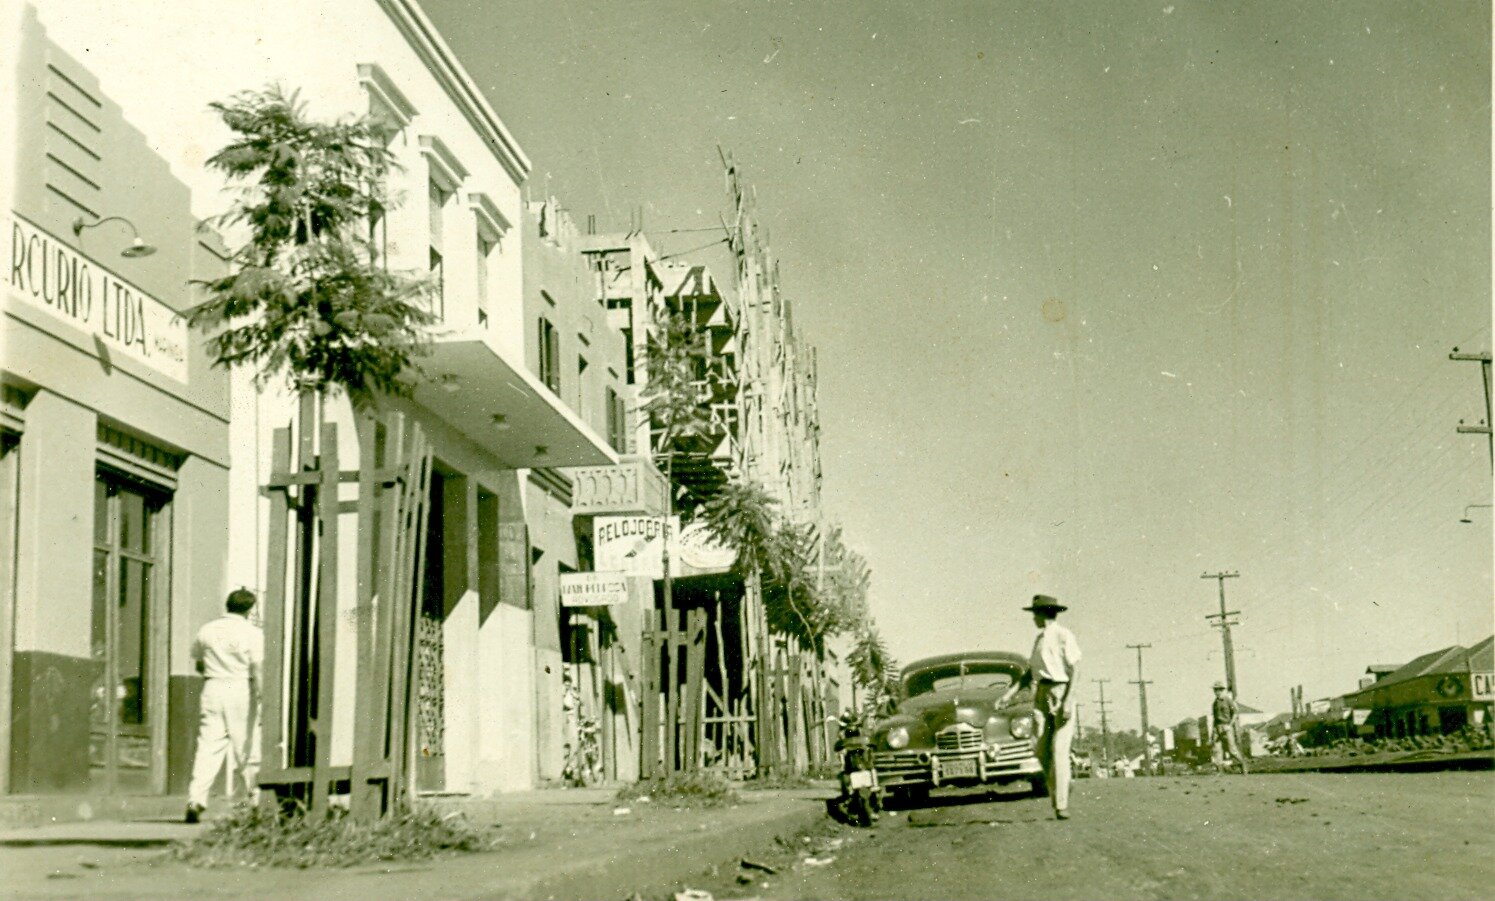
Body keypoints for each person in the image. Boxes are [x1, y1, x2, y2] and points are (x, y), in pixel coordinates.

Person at [997, 594, 1082, 820]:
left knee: (1059, 749)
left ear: (1043, 613)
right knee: (1041, 750)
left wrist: (1067, 700)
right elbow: (1029, 674)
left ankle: (1061, 804)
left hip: (1061, 690)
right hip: (1041, 692)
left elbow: (1076, 670)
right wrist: (1008, 694)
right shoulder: (1039, 640)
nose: (1033, 618)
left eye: (1035, 613)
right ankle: (1064, 784)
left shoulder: (1064, 635)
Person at [185, 588, 264, 823]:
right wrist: (261, 695)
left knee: (208, 746)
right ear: (250, 609)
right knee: (247, 748)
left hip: (213, 688)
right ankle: (256, 800)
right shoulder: (252, 633)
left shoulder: (207, 630)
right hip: (240, 689)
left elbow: (198, 662)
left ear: (227, 604)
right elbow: (257, 669)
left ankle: (195, 800)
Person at [1211, 681, 1249, 775]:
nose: (1216, 692)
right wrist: (1213, 730)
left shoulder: (1228, 700)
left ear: (1222, 690)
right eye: (1215, 690)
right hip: (1217, 727)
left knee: (1232, 749)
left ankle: (1243, 764)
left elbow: (1235, 713)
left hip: (1226, 725)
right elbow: (1215, 718)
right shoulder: (1214, 703)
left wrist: (1230, 725)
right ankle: (1220, 770)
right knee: (1217, 749)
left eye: (1218, 690)